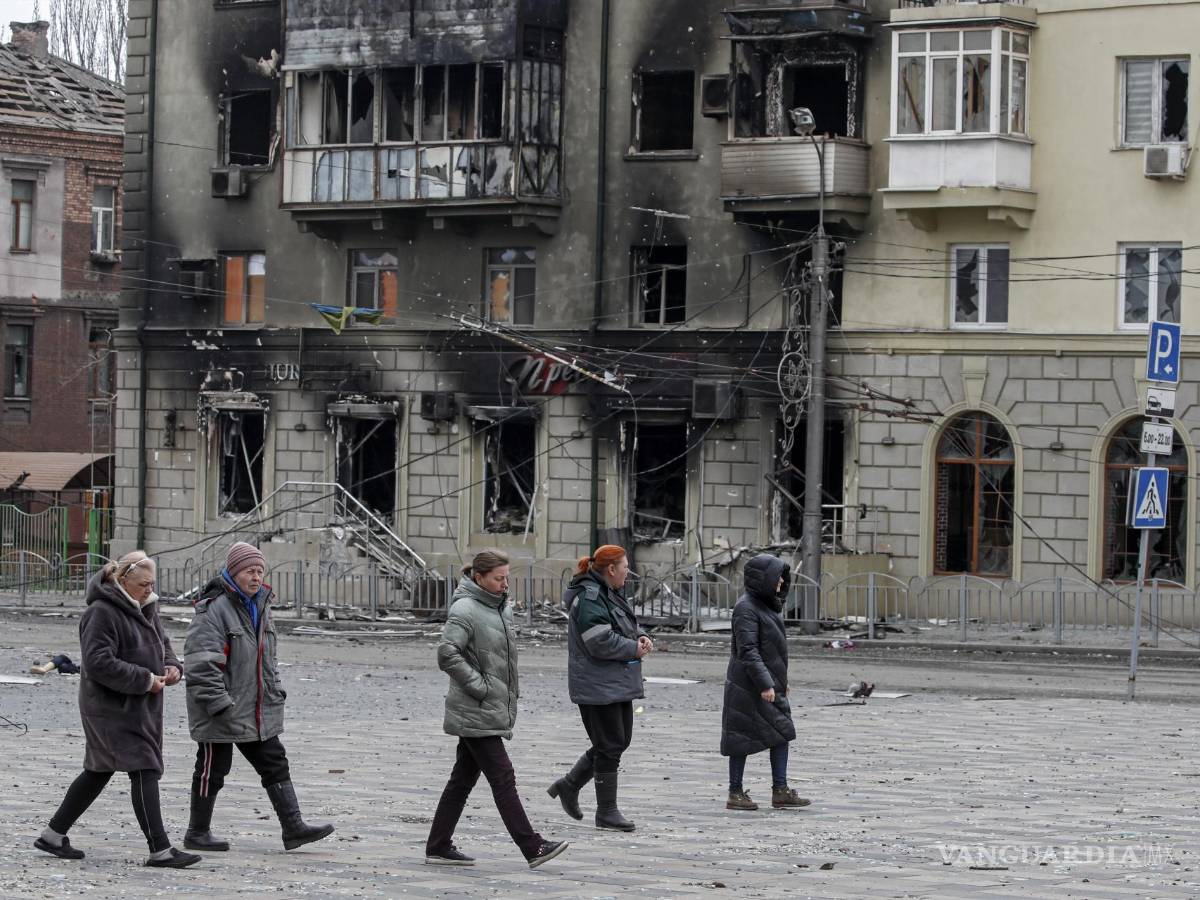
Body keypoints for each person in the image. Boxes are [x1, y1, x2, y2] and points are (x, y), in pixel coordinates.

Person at [35, 552, 200, 868]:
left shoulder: (147, 605)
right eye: (143, 584)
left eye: (152, 583)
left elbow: (162, 643)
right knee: (144, 767)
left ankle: (53, 835)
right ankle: (160, 849)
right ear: (123, 579)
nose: (149, 589)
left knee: (99, 770)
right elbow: (98, 663)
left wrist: (172, 666)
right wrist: (145, 679)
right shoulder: (101, 612)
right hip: (110, 707)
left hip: (140, 705)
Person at [182, 541, 333, 852]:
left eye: (260, 571)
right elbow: (201, 663)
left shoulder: (262, 605)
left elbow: (268, 659)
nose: (255, 577)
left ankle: (294, 828)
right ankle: (197, 832)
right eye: (249, 571)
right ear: (234, 573)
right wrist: (218, 703)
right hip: (221, 707)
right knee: (213, 768)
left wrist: (275, 689)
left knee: (274, 761)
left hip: (257, 706)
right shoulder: (213, 609)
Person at [426, 550, 568, 869]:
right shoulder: (465, 608)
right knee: (503, 776)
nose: (505, 584)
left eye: (507, 577)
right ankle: (532, 846)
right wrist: (481, 687)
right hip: (474, 707)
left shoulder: (498, 607)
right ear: (479, 578)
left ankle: (438, 845)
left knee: (461, 780)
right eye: (498, 578)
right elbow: (447, 654)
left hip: (487, 707)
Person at [550, 544, 651, 832]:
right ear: (610, 569)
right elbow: (599, 641)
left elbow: (625, 625)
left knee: (618, 741)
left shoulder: (611, 593)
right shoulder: (591, 597)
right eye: (624, 568)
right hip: (597, 685)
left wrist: (640, 637)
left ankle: (569, 785)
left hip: (615, 680)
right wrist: (634, 648)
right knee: (610, 744)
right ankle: (606, 812)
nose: (627, 573)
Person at [720, 553, 810, 811]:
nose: (781, 583)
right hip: (747, 685)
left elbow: (772, 650)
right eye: (776, 578)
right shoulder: (746, 608)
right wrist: (765, 684)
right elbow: (748, 650)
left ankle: (780, 790)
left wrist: (781, 681)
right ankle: (735, 793)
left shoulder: (766, 605)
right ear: (763, 580)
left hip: (767, 683)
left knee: (782, 732)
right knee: (740, 737)